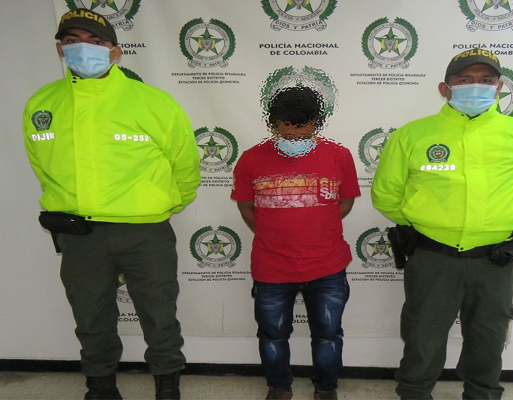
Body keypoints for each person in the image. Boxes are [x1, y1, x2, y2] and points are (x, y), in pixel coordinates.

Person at [22, 8, 201, 400]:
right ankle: (100, 387)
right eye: (72, 41)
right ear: (59, 50)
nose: (82, 49)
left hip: (145, 233)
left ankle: (167, 385)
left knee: (159, 315)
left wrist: (161, 205)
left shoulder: (153, 102)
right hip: (80, 236)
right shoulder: (42, 105)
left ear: (115, 52)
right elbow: (43, 167)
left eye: (95, 41)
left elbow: (186, 166)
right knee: (90, 318)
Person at [371, 48, 513, 400]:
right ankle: (414, 393)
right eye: (465, 79)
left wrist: (496, 225)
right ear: (445, 88)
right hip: (434, 258)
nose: (476, 86)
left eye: (486, 79)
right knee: (423, 334)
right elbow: (386, 195)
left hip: (495, 259)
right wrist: (431, 226)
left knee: (489, 335)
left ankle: (483, 394)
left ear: (499, 87)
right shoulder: (412, 135)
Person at [231, 86, 360, 400]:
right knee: (272, 334)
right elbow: (246, 207)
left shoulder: (339, 155)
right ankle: (279, 386)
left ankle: (326, 388)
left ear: (317, 123)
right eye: (287, 129)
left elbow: (345, 202)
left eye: (303, 129)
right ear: (273, 122)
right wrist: (273, 233)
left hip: (327, 265)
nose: (295, 136)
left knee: (328, 334)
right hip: (271, 267)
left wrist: (317, 227)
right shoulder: (250, 159)